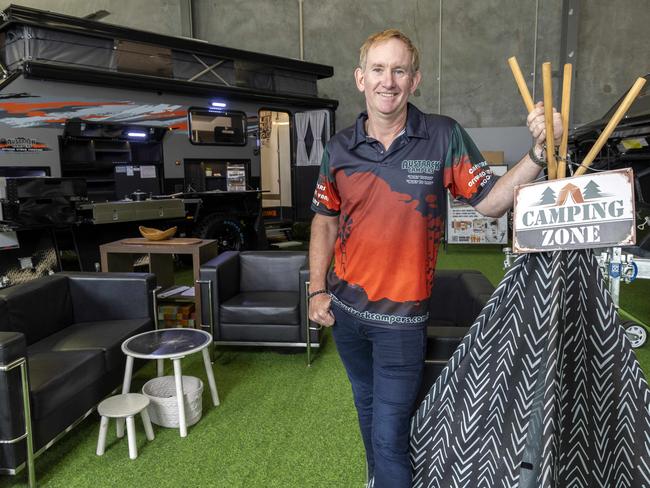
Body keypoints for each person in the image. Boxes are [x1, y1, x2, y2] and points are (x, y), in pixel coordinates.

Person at [308, 29, 562, 488]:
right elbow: (324, 220)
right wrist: (317, 289)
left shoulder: (442, 135)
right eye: (379, 70)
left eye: (399, 70)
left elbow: (490, 201)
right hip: (346, 312)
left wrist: (539, 154)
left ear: (415, 79)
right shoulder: (338, 147)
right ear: (360, 78)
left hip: (401, 321)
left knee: (389, 435)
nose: (389, 81)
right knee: (366, 410)